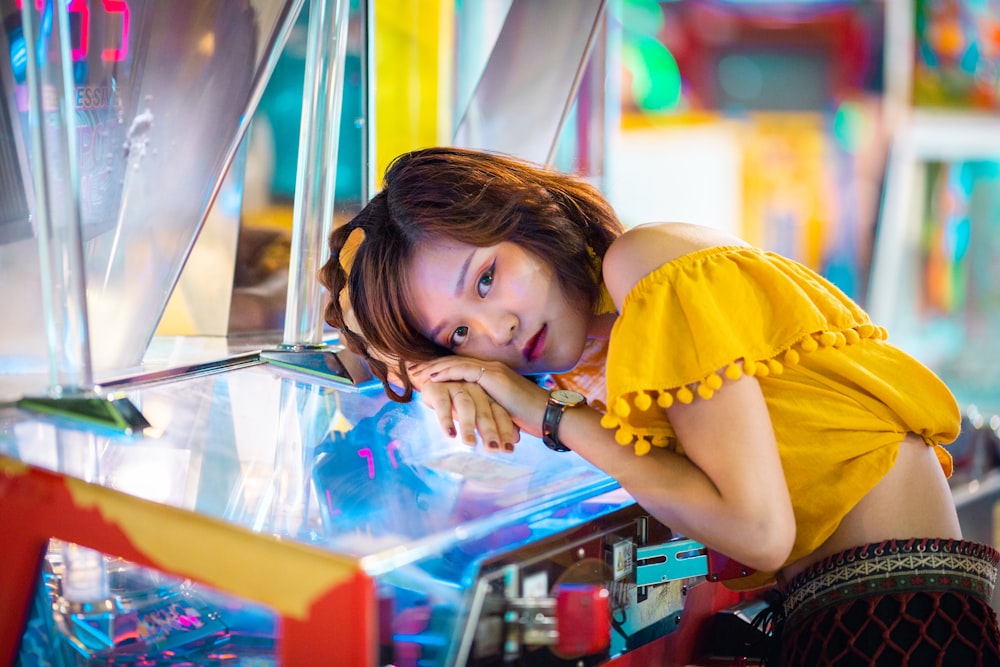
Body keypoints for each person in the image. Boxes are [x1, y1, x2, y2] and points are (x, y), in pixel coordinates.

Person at [319, 146, 1000, 666]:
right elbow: (358, 321)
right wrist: (435, 374)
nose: (495, 330)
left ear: (526, 220)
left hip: (901, 618)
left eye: (489, 277)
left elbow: (760, 530)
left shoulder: (643, 267)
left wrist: (552, 419)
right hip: (870, 611)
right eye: (461, 332)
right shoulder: (598, 354)